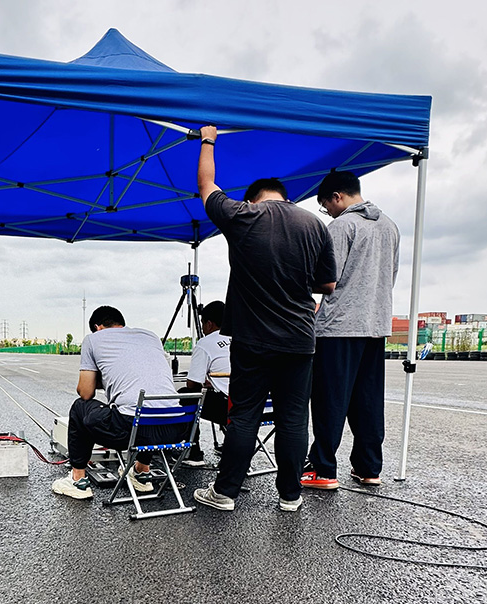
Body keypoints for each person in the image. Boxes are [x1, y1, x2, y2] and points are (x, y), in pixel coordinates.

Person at [194, 125, 337, 512]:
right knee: (293, 418)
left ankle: (225, 493)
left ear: (252, 198)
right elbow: (328, 284)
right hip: (299, 340)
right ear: (286, 198)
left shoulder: (243, 215)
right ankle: (291, 495)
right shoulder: (314, 224)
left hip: (252, 338)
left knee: (244, 415)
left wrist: (208, 140)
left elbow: (206, 185)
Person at [302, 171, 400, 490]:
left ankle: (323, 469)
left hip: (339, 327)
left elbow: (328, 280)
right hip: (375, 324)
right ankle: (369, 468)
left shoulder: (342, 226)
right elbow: (391, 275)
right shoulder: (390, 226)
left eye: (326, 205)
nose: (327, 212)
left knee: (330, 399)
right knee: (368, 400)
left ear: (337, 197)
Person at [51, 306, 185, 500]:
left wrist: (101, 378)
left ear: (97, 327)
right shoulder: (150, 336)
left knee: (80, 407)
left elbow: (86, 392)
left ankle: (77, 480)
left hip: (130, 430)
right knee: (148, 411)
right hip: (175, 429)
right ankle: (141, 472)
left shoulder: (93, 339)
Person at [179, 300, 231, 467]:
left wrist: (203, 383)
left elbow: (192, 384)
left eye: (202, 324)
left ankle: (193, 452)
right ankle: (234, 446)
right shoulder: (242, 337)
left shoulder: (205, 343)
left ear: (209, 323)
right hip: (256, 407)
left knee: (186, 395)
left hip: (228, 409)